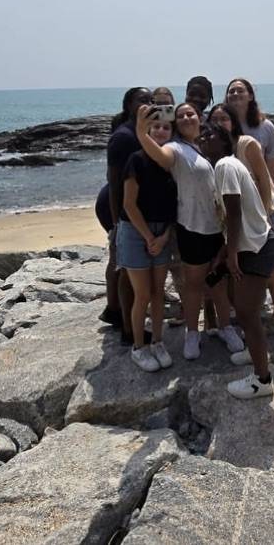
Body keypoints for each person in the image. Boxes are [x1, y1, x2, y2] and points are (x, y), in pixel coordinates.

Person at [134, 103, 245, 359]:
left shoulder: (209, 144)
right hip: (191, 227)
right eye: (181, 115)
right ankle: (193, 333)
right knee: (194, 284)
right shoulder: (175, 148)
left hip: (219, 227)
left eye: (190, 114)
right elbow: (160, 158)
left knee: (219, 283)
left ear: (199, 117)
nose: (185, 117)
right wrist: (142, 134)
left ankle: (225, 327)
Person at [196, 121, 274, 399]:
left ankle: (262, 380)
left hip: (256, 249)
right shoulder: (224, 166)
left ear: (224, 141)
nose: (204, 139)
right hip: (252, 246)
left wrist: (231, 254)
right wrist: (226, 252)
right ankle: (254, 353)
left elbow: (233, 213)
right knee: (238, 301)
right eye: (201, 136)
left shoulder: (225, 166)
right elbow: (231, 217)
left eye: (210, 135)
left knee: (246, 314)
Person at [208, 103, 274, 325]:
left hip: (267, 212)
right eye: (214, 119)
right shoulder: (217, 152)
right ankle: (253, 310)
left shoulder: (246, 144)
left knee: (270, 272)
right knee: (251, 272)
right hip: (245, 218)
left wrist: (265, 217)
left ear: (233, 123)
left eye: (224, 118)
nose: (219, 123)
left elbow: (265, 182)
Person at [118, 115, 178, 372]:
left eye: (167, 127)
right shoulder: (136, 159)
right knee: (142, 294)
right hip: (135, 231)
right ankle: (138, 348)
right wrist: (148, 237)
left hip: (162, 230)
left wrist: (164, 236)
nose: (162, 131)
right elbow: (128, 204)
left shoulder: (173, 162)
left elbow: (177, 205)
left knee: (157, 293)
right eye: (157, 127)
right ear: (147, 130)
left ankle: (157, 341)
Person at [102, 87, 154, 344]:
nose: (148, 103)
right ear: (129, 105)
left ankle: (116, 313)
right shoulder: (123, 137)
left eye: (151, 100)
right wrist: (115, 224)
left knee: (130, 268)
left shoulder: (145, 133)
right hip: (121, 210)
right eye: (142, 100)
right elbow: (113, 183)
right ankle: (125, 327)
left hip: (138, 209)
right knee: (125, 269)